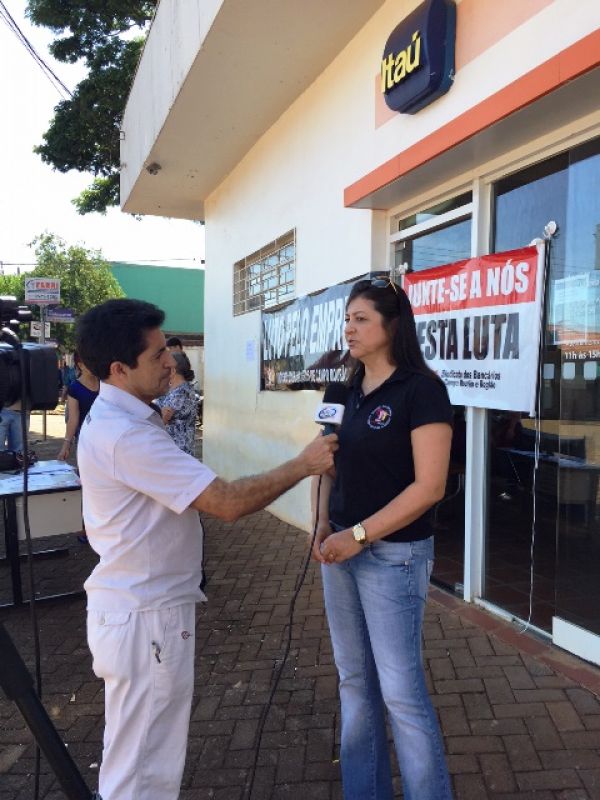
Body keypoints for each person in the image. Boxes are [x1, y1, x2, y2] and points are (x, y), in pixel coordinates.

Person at [75, 299, 337, 800]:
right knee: (141, 773)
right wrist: (302, 464)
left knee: (141, 759)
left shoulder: (125, 417)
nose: (171, 361)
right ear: (119, 369)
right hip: (144, 616)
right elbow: (227, 502)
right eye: (156, 356)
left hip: (141, 609)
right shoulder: (125, 434)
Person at [311, 277, 454, 800]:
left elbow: (430, 486)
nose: (349, 327)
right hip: (340, 551)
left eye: (361, 318)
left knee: (400, 693)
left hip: (393, 556)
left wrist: (361, 534)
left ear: (392, 326)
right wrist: (323, 525)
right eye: (347, 318)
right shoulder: (338, 390)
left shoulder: (422, 390)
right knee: (354, 683)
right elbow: (324, 465)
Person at [57, 353, 99, 462]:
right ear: (80, 365)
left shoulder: (105, 383)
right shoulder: (75, 388)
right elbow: (73, 419)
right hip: (84, 438)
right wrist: (66, 444)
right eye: (89, 362)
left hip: (105, 437)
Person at [155, 351, 197, 455]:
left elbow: (160, 421)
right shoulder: (180, 389)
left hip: (177, 451)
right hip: (179, 450)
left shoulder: (179, 394)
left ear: (173, 371)